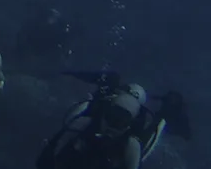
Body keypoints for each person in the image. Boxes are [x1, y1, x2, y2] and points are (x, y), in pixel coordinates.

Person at [36, 71, 191, 169]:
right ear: (105, 113)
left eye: (120, 121)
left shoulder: (132, 144)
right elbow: (51, 152)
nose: (113, 126)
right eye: (112, 117)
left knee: (159, 122)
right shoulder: (84, 123)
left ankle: (170, 109)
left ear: (129, 124)